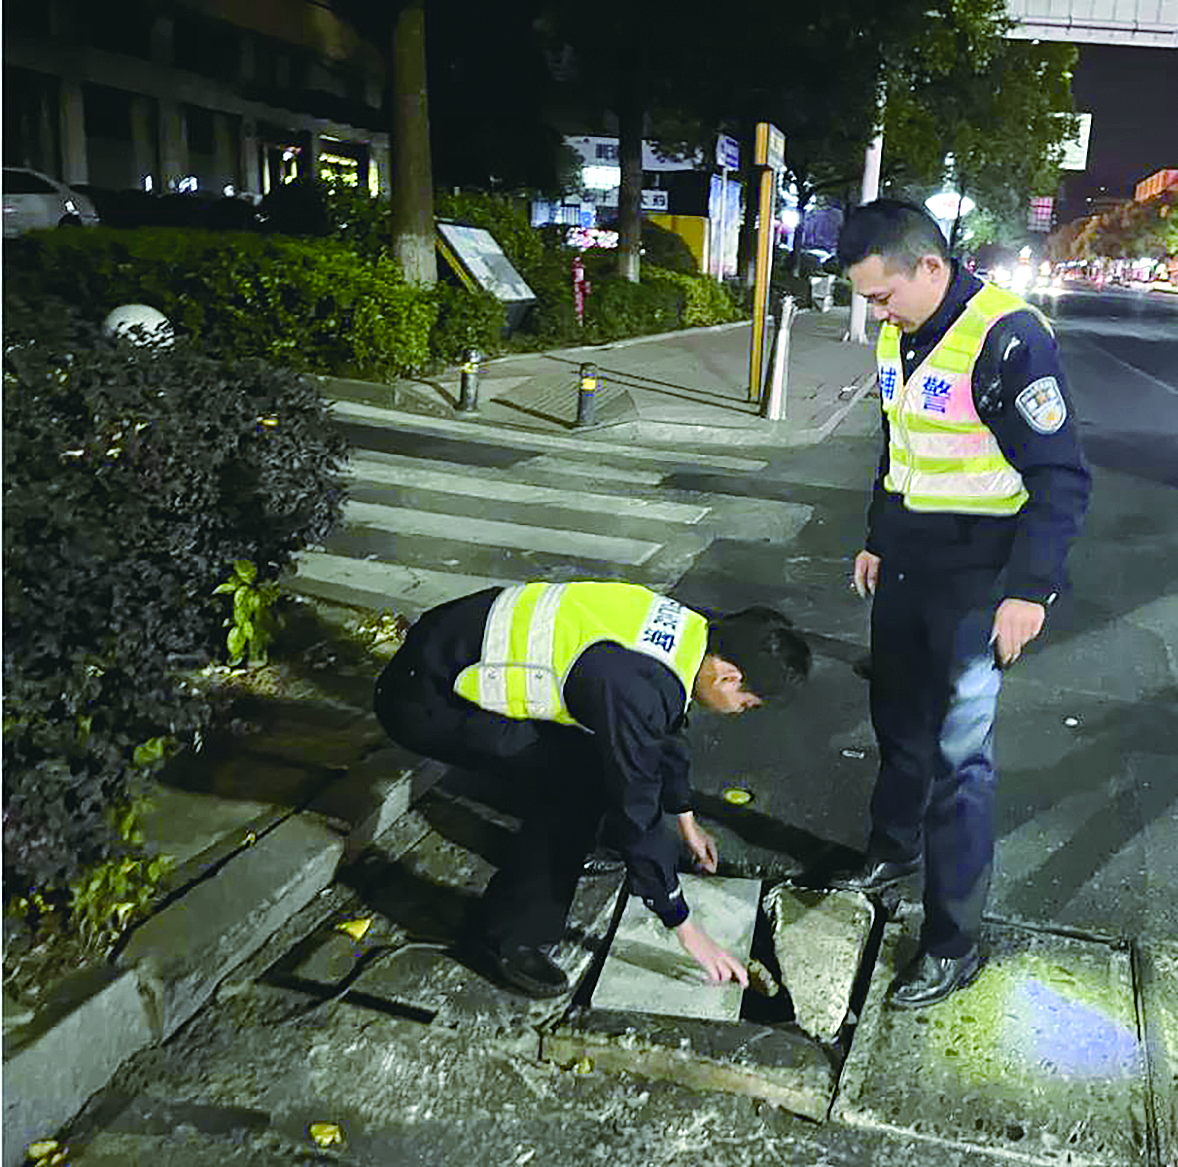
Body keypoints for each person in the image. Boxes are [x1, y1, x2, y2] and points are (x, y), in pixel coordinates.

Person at [834, 199, 1092, 1009]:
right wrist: (877, 536)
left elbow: (1059, 475)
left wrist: (1029, 588)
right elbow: (898, 444)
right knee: (896, 716)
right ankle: (892, 847)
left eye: (883, 296)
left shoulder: (1007, 340)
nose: (877, 312)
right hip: (906, 560)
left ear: (930, 266)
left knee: (958, 757)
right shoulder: (897, 332)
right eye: (867, 300)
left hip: (978, 574)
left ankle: (952, 941)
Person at [372, 580, 811, 997]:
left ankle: (565, 850)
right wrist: (683, 923)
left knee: (593, 766)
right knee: (578, 783)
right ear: (729, 677)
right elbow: (636, 804)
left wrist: (685, 819)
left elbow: (665, 732)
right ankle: (507, 940)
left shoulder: (688, 633)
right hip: (425, 698)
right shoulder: (635, 686)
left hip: (442, 649)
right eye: (746, 704)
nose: (738, 712)